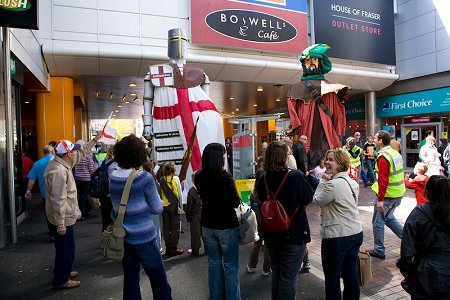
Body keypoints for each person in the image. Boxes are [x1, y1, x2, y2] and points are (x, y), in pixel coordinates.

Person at [109, 134, 172, 300]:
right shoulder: (144, 179)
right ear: (139, 154)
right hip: (145, 238)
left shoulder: (113, 177)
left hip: (124, 236)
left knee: (131, 279)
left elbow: (116, 207)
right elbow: (157, 208)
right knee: (158, 279)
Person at [256, 141, 314, 300]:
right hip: (293, 233)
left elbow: (260, 198)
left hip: (270, 233)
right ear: (284, 157)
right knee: (288, 277)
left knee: (277, 274)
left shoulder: (263, 179)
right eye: (289, 153)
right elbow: (308, 197)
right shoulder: (295, 176)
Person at [43, 132, 102, 289]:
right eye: (73, 150)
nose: (76, 151)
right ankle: (62, 279)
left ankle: (63, 271)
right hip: (62, 217)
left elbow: (83, 152)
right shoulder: (58, 171)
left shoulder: (62, 163)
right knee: (66, 249)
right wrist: (60, 222)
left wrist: (95, 140)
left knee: (65, 248)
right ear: (68, 153)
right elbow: (58, 199)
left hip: (63, 215)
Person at [287, 44, 349, 171]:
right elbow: (292, 112)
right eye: (308, 61)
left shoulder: (331, 89)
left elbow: (338, 112)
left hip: (326, 137)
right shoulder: (295, 89)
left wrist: (337, 131)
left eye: (314, 60)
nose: (311, 63)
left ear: (320, 63)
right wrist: (296, 126)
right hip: (306, 138)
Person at [313, 149, 363, 300]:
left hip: (337, 236)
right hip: (355, 233)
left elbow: (317, 200)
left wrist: (323, 180)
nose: (327, 162)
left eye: (331, 160)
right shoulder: (352, 182)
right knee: (350, 275)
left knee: (332, 277)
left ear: (340, 163)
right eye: (326, 159)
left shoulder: (333, 185)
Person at [195, 143, 241, 300]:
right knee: (230, 266)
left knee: (214, 264)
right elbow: (236, 202)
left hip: (208, 225)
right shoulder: (226, 178)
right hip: (227, 225)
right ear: (219, 159)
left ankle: (216, 297)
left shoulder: (199, 177)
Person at [396, 175, 450, 299]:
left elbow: (407, 250)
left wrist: (408, 272)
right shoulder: (420, 213)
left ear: (427, 192)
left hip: (427, 273)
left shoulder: (419, 213)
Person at [367, 130, 405, 259]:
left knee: (378, 223)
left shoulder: (384, 156)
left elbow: (383, 179)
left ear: (381, 141)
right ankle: (410, 239)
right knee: (389, 219)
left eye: (376, 139)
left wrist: (380, 199)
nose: (374, 140)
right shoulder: (395, 153)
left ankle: (379, 249)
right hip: (397, 193)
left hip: (387, 196)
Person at [25, 145, 56, 240]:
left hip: (45, 193)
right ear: (53, 152)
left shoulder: (38, 163)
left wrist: (28, 190)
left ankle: (52, 233)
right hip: (60, 193)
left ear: (44, 153)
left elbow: (32, 179)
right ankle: (61, 229)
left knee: (49, 213)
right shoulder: (58, 161)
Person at [246, 163, 271, 277]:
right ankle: (266, 269)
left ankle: (251, 265)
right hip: (267, 221)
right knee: (268, 246)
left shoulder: (253, 194)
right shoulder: (267, 194)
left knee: (257, 243)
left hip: (258, 222)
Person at [159, 161, 184, 256]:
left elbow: (160, 194)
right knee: (175, 227)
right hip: (174, 206)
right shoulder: (176, 179)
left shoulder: (161, 180)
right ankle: (174, 247)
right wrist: (180, 206)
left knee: (166, 227)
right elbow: (179, 194)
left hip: (164, 206)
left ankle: (168, 247)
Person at [73, 140, 97, 219]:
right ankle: (83, 213)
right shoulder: (87, 156)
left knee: (79, 195)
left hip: (77, 178)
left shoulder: (75, 156)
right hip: (86, 179)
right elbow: (91, 168)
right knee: (84, 196)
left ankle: (82, 211)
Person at [143, 160, 163, 251]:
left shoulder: (142, 179)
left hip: (145, 207)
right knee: (156, 228)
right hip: (154, 206)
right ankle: (158, 247)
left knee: (146, 229)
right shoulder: (153, 179)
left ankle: (149, 247)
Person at [98, 146, 118, 232]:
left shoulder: (104, 162)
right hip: (112, 194)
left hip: (104, 193)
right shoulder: (115, 165)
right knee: (114, 219)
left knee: (105, 219)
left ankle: (105, 238)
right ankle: (112, 241)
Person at [185, 171, 202, 256]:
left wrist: (188, 216)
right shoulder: (204, 187)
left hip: (195, 214)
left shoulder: (192, 190)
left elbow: (189, 205)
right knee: (205, 232)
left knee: (195, 233)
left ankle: (195, 250)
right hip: (204, 212)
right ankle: (208, 249)